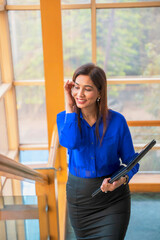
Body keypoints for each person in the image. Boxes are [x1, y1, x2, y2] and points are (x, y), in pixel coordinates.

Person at [56, 63, 139, 240]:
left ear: (100, 93)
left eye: (87, 89)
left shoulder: (117, 121)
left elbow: (132, 161)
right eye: (76, 87)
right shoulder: (64, 118)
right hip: (80, 200)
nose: (80, 94)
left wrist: (122, 179)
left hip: (113, 199)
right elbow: (71, 142)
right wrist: (70, 106)